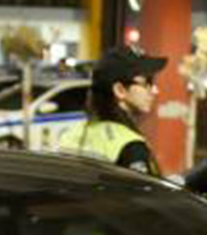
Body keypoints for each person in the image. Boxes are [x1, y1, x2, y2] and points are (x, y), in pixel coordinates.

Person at [59, 45, 166, 175]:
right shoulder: (129, 146)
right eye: (147, 82)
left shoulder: (72, 134)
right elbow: (147, 194)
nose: (154, 91)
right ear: (120, 90)